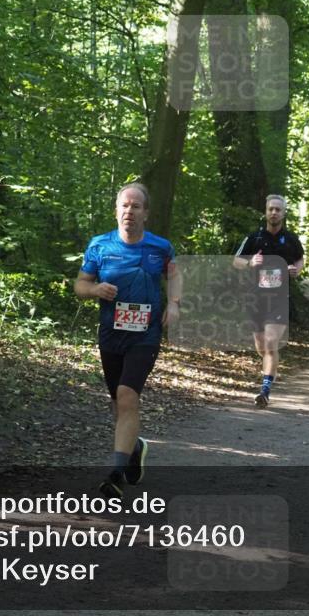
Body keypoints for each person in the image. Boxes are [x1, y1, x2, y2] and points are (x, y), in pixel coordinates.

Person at [74, 182, 181, 498]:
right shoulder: (99, 246)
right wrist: (94, 290)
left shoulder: (160, 247)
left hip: (145, 335)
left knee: (127, 395)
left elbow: (174, 275)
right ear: (116, 210)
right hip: (110, 335)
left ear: (146, 213)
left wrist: (174, 304)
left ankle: (116, 471)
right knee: (117, 402)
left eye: (136, 206)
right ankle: (134, 446)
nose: (129, 211)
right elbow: (80, 284)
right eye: (124, 205)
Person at [233, 194, 305, 408]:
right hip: (256, 298)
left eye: (278, 209)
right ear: (266, 212)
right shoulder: (254, 238)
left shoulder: (291, 240)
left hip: (279, 299)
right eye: (271, 209)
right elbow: (236, 261)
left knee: (272, 343)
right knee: (262, 346)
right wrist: (249, 262)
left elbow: (300, 259)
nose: (274, 212)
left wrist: (295, 271)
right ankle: (269, 367)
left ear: (284, 213)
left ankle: (265, 390)